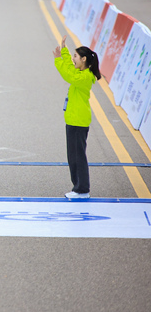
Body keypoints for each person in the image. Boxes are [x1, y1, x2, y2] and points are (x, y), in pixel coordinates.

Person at [53, 36, 101, 199]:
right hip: (73, 120)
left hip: (78, 121)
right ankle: (78, 188)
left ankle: (82, 190)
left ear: (84, 59)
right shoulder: (81, 72)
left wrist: (59, 60)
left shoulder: (85, 77)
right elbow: (71, 70)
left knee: (77, 156)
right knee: (73, 155)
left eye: (75, 57)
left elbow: (69, 76)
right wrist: (65, 52)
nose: (73, 60)